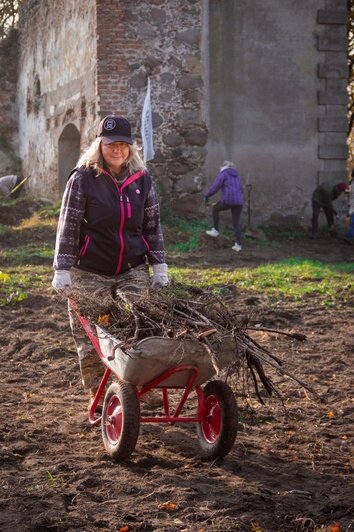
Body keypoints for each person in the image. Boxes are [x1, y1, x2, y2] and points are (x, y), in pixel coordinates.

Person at [52, 115, 168, 408]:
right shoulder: (82, 179)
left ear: (131, 148)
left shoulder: (142, 180)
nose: (117, 150)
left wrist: (160, 266)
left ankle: (139, 386)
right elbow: (69, 226)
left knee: (141, 326)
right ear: (99, 145)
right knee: (91, 335)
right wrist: (62, 269)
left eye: (123, 145)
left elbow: (152, 226)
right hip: (89, 270)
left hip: (132, 268)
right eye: (110, 144)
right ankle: (98, 391)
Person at [204, 161, 244, 252]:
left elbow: (215, 187)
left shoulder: (223, 174)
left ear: (223, 166)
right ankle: (238, 245)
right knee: (236, 223)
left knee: (215, 208)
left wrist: (207, 195)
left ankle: (215, 230)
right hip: (239, 202)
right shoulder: (237, 175)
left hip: (228, 200)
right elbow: (240, 188)